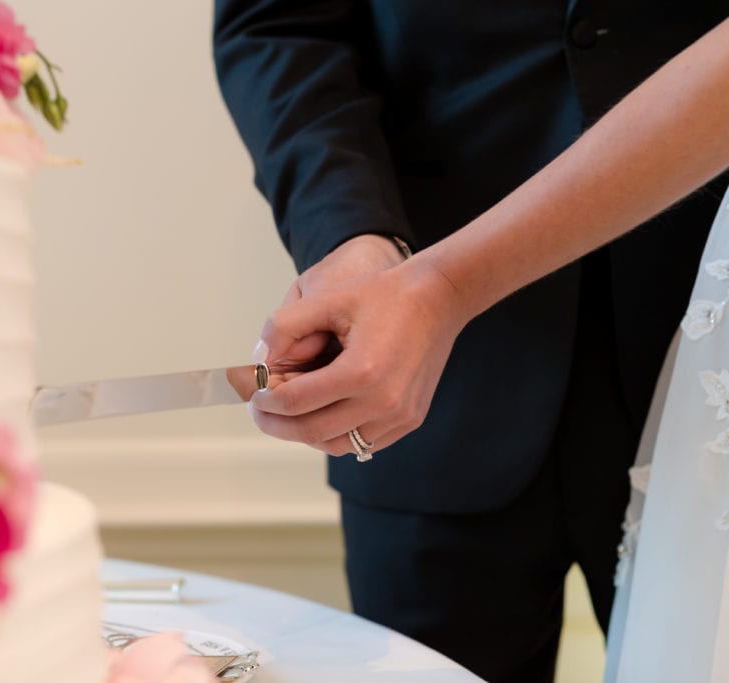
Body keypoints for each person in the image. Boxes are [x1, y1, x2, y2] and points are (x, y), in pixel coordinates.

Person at [213, 3, 729, 682]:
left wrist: (443, 287)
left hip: (704, 336)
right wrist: (351, 238)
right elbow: (277, 21)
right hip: (420, 379)